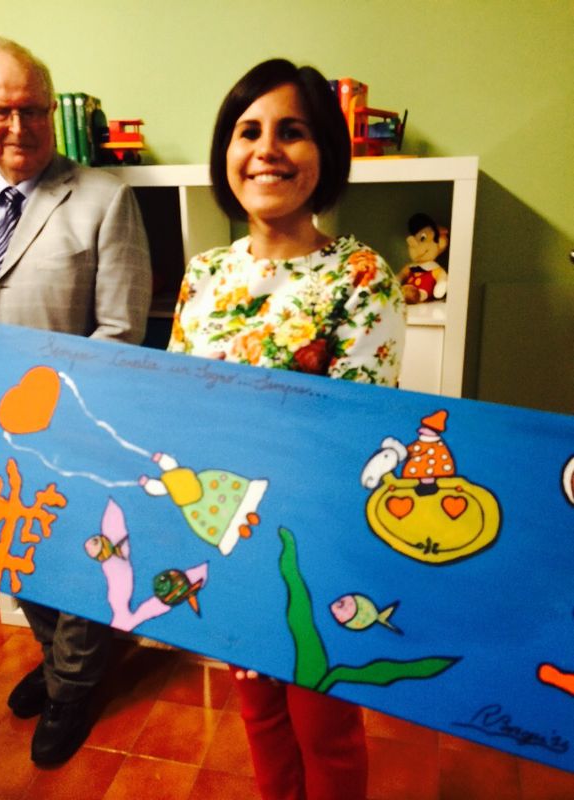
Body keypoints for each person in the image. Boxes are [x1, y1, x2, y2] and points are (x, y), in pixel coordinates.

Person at [167, 58, 406, 800]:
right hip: (226, 535)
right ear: (226, 154)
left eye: (291, 131)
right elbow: (173, 404)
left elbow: (353, 436)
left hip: (316, 546)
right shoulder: (204, 274)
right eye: (248, 132)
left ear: (324, 153)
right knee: (259, 715)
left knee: (324, 727)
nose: (266, 149)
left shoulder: (361, 276)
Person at [0, 36, 151, 765]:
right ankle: (55, 663)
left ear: (53, 111)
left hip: (68, 421)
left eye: (34, 110)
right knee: (14, 551)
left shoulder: (104, 198)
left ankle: (75, 685)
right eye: (1, 112)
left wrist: (50, 411)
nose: (19, 127)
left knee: (76, 557)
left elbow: (122, 329)